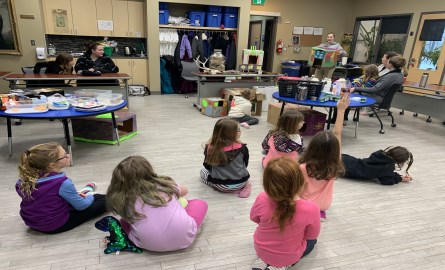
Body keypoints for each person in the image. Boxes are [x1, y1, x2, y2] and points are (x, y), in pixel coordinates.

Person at [106, 155, 208, 252]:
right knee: (199, 203)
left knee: (123, 222)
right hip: (185, 238)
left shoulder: (121, 199)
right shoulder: (163, 185)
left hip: (147, 244)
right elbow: (185, 191)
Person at [15, 142, 106, 234]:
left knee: (87, 198)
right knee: (105, 200)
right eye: (64, 156)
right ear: (52, 165)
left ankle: (82, 193)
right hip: (55, 225)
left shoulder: (23, 180)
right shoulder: (62, 183)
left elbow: (45, 198)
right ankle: (88, 192)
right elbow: (81, 206)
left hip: (32, 222)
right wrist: (90, 196)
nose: (68, 155)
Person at [250, 157, 320, 270]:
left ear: (267, 184)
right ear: (300, 182)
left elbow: (254, 218)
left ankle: (263, 261)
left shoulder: (262, 198)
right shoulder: (312, 208)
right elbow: (311, 235)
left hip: (260, 249)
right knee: (313, 242)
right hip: (289, 255)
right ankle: (283, 265)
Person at [299, 95, 350, 221]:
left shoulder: (303, 167)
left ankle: (309, 213)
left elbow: (297, 190)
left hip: (305, 204)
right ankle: (319, 212)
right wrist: (341, 110)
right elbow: (337, 133)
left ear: (312, 147)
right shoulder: (335, 164)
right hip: (324, 204)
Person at [200, 118, 252, 198]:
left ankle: (231, 190)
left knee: (203, 171)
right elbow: (245, 163)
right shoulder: (242, 147)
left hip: (221, 186)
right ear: (231, 133)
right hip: (241, 182)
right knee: (242, 170)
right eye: (238, 130)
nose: (240, 131)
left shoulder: (210, 148)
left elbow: (207, 166)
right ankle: (246, 186)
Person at [342, 146, 413, 185]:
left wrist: (398, 176)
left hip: (349, 160)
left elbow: (384, 173)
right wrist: (400, 178)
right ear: (400, 161)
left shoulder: (379, 155)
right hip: (346, 170)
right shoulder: (387, 168)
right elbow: (386, 181)